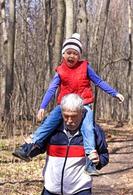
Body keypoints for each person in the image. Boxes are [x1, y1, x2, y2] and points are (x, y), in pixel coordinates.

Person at [13, 33, 124, 176]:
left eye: (75, 53)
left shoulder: (85, 67)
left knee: (88, 129)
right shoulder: (60, 70)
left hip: (83, 104)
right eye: (68, 53)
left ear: (79, 56)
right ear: (63, 54)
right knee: (48, 124)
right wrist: (42, 106)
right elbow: (52, 89)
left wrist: (115, 93)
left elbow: (99, 81)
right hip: (64, 105)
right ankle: (27, 148)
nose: (71, 56)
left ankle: (90, 162)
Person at [26, 93, 109, 195]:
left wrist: (98, 161)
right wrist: (28, 148)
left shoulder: (93, 132)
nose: (69, 120)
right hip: (51, 193)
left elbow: (104, 156)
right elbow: (37, 148)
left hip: (80, 193)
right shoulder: (52, 129)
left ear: (82, 113)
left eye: (74, 116)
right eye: (66, 115)